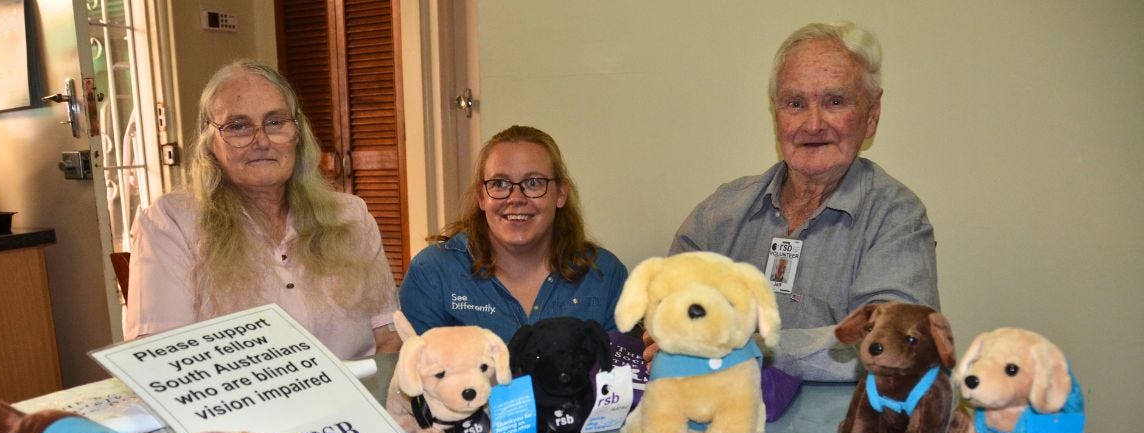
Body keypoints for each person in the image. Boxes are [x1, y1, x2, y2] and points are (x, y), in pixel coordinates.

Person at [669, 21, 939, 381]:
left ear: (871, 116)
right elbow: (667, 304)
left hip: (843, 432)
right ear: (776, 114)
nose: (813, 125)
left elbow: (895, 345)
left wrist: (748, 350)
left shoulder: (897, 219)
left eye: (835, 102)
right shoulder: (722, 212)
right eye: (795, 103)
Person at [124, 60, 400, 360]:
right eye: (238, 126)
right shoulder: (173, 222)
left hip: (353, 401)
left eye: (275, 122)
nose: (262, 141)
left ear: (297, 133)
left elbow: (389, 339)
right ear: (209, 144)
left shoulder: (351, 217)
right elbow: (160, 357)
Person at [399, 125, 628, 344]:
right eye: (500, 183)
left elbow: (621, 377)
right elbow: (415, 375)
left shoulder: (604, 276)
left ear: (560, 194)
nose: (516, 198)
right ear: (481, 197)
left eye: (534, 183)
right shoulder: (433, 273)